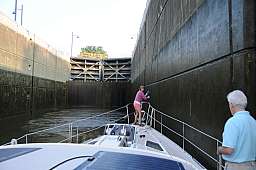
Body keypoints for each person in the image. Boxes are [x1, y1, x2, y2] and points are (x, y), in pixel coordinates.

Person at [217, 90, 256, 170]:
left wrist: (219, 149)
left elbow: (229, 150)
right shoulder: (253, 121)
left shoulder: (232, 122)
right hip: (252, 166)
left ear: (231, 105)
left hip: (235, 167)